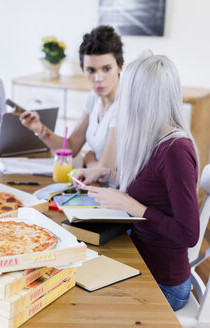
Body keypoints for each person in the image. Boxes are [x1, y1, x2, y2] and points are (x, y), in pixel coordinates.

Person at [76, 52, 199, 311]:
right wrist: (105, 174)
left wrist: (130, 204)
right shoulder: (152, 137)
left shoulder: (176, 150)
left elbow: (189, 234)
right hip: (140, 256)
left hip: (164, 284)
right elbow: (152, 188)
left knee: (83, 305)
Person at [15, 25, 123, 168]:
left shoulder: (123, 106)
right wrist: (39, 129)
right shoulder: (94, 98)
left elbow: (104, 171)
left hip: (113, 188)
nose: (98, 78)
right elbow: (71, 147)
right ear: (82, 70)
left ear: (120, 66)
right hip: (94, 183)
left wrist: (88, 159)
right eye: (91, 70)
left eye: (107, 69)